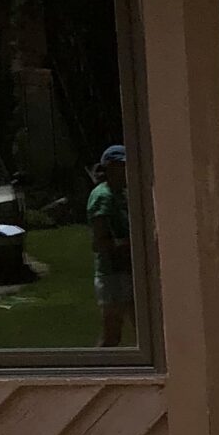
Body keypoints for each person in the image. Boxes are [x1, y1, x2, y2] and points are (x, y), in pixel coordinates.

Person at [88, 142, 132, 348]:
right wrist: (130, 246)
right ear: (112, 167)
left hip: (126, 272)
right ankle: (91, 375)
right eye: (124, 166)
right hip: (112, 274)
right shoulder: (102, 196)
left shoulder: (119, 195)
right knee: (111, 335)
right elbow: (101, 241)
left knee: (147, 331)